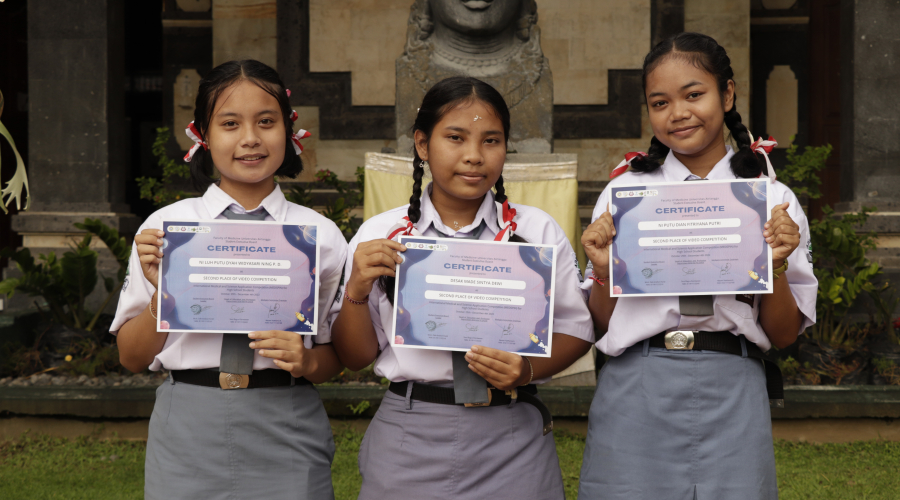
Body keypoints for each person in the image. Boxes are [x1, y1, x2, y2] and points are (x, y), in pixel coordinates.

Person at [578, 32, 817, 500]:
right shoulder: (624, 197)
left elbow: (785, 335)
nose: (678, 113)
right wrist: (604, 269)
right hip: (636, 384)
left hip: (733, 383)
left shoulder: (772, 200)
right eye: (660, 102)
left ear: (727, 94)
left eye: (694, 94)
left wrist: (778, 265)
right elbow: (601, 324)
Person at [331, 76, 594, 500]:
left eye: (491, 140)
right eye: (455, 138)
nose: (474, 156)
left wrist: (526, 371)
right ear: (422, 145)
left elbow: (576, 329)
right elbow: (358, 356)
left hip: (512, 435)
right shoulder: (380, 235)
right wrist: (357, 289)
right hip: (410, 429)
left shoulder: (536, 231)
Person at [111, 59, 346, 500]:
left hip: (287, 419)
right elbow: (130, 357)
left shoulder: (320, 237)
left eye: (266, 122)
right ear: (202, 135)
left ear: (289, 131)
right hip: (188, 425)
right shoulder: (164, 231)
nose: (250, 139)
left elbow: (338, 354)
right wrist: (165, 295)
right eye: (230, 124)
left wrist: (308, 362)